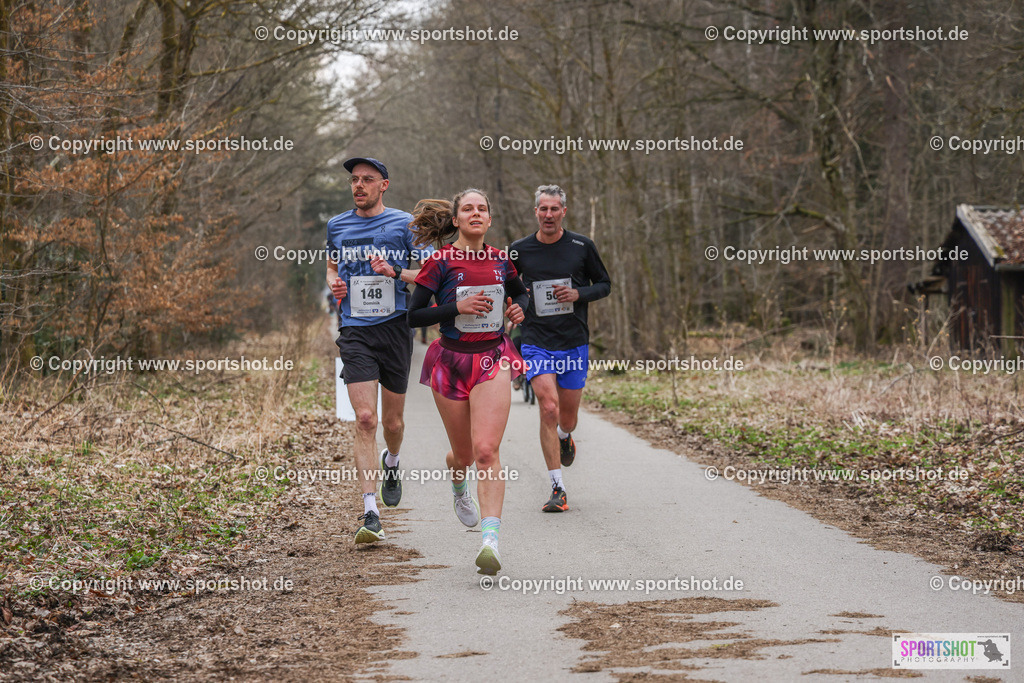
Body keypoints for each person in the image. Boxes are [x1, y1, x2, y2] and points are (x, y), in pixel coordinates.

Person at [406, 189, 528, 575]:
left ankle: (490, 541)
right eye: (468, 209)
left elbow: (520, 292)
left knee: (487, 450)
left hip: (493, 357)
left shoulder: (500, 260)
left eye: (482, 209)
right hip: (451, 361)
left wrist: (517, 307)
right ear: (456, 220)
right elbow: (413, 316)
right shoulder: (440, 262)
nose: (476, 213)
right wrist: (455, 307)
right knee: (464, 456)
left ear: (489, 220)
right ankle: (458, 485)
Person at [326, 156, 427, 544]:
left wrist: (396, 273)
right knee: (366, 418)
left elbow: (428, 273)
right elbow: (332, 267)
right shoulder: (337, 225)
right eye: (354, 180)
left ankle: (393, 461)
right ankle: (370, 513)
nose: (359, 186)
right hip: (355, 331)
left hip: (395, 329)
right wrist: (335, 283)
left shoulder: (404, 224)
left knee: (393, 424)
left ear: (384, 185)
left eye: (367, 180)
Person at [511, 185, 611, 513]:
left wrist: (578, 295)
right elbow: (509, 287)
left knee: (567, 418)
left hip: (573, 342)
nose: (549, 215)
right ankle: (557, 488)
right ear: (536, 212)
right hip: (536, 340)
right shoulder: (519, 249)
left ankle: (566, 437)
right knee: (548, 409)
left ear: (563, 212)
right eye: (543, 209)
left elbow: (604, 285)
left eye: (554, 209)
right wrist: (517, 302)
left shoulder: (582, 246)